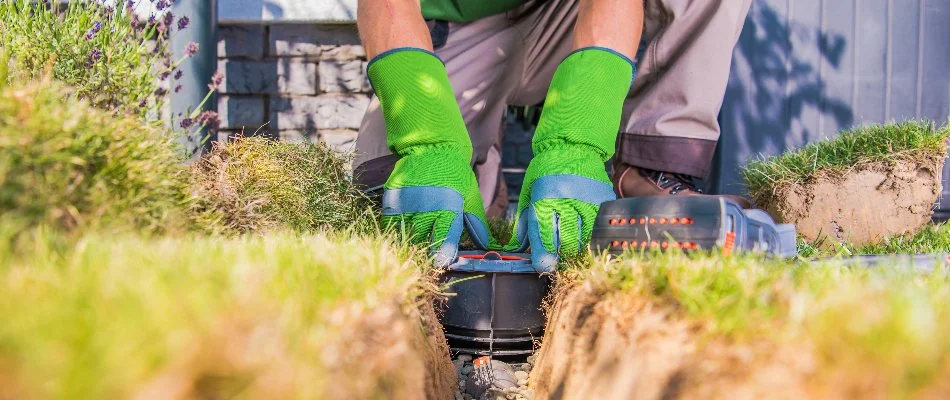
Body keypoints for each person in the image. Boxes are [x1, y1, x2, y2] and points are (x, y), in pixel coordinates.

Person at [354, 0, 752, 271]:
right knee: (380, 193)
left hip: (566, 16)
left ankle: (647, 169)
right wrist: (428, 142)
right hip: (456, 27)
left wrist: (576, 141)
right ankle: (480, 170)